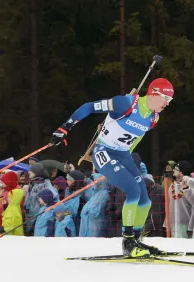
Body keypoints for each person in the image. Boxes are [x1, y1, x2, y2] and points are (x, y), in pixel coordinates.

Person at [50, 78, 174, 257]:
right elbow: (89, 107)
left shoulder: (154, 117)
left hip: (123, 154)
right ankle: (128, 242)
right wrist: (64, 128)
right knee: (133, 191)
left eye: (169, 101)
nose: (167, 104)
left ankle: (137, 240)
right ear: (154, 93)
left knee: (145, 199)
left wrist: (128, 155)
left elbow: (138, 136)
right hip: (105, 152)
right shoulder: (125, 104)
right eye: (165, 99)